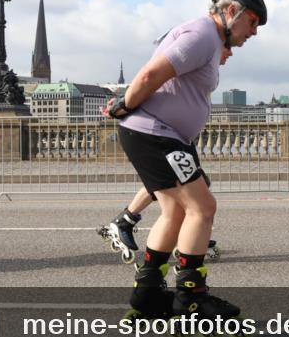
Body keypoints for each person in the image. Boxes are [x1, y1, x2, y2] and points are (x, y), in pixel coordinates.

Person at [110, 0, 264, 335]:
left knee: (175, 212)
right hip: (157, 134)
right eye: (253, 22)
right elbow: (151, 74)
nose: (254, 32)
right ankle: (192, 301)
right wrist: (126, 104)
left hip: (160, 135)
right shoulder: (202, 36)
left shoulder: (206, 38)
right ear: (231, 11)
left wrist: (126, 106)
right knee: (202, 208)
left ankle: (148, 295)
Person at [96, 47, 232, 265]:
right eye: (228, 47)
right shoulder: (200, 51)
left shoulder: (206, 65)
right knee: (182, 188)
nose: (230, 53)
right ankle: (179, 236)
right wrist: (123, 102)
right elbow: (153, 79)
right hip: (160, 133)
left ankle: (141, 228)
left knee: (174, 185)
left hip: (177, 136)